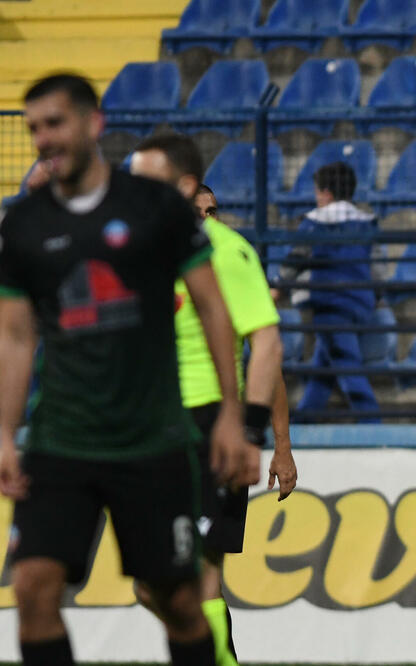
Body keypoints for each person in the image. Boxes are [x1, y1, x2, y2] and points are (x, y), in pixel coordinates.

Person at [0, 73, 259, 666]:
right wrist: (4, 434)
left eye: (55, 123)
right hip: (61, 438)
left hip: (151, 441)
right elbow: (15, 337)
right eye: (33, 127)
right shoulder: (24, 225)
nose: (43, 138)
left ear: (95, 125)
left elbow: (213, 307)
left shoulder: (155, 208)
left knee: (178, 599)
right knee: (34, 588)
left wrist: (229, 416)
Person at [128, 133, 298, 666]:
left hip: (210, 427)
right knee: (148, 586)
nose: (210, 218)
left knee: (203, 575)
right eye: (201, 209)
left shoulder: (228, 254)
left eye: (214, 209)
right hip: (153, 430)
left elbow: (266, 355)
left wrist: (273, 443)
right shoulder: (143, 253)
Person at [281, 162, 380, 422]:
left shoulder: (315, 221)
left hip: (329, 304)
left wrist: (278, 284)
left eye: (316, 192)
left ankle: (372, 423)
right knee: (323, 368)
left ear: (325, 193)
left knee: (347, 365)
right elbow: (378, 268)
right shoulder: (367, 222)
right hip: (360, 304)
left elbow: (296, 258)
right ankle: (303, 421)